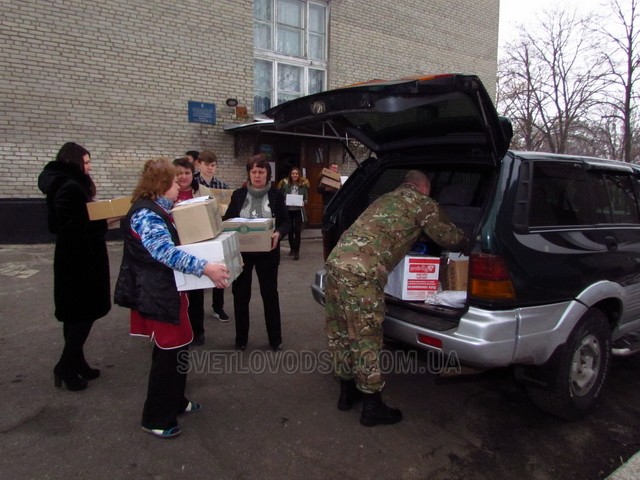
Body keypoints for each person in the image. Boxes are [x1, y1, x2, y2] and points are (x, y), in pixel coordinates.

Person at [324, 170, 467, 427]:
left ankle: (346, 394)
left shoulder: (384, 199)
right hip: (362, 272)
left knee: (341, 331)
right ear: (423, 187)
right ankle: (372, 406)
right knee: (365, 337)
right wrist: (471, 241)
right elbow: (449, 238)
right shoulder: (423, 203)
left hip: (335, 264)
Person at [114, 158, 230, 439]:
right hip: (157, 295)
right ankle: (155, 417)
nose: (180, 187)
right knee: (167, 356)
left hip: (167, 292)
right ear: (160, 186)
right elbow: (165, 253)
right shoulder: (147, 215)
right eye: (174, 183)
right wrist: (206, 268)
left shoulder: (158, 210)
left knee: (178, 350)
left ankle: (176, 401)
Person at [38, 142, 112, 392]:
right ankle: (65, 366)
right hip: (80, 260)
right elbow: (71, 227)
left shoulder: (64, 183)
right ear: (74, 162)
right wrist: (103, 220)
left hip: (76, 257)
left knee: (75, 314)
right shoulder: (69, 187)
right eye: (87, 162)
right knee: (82, 314)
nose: (89, 167)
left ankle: (78, 362)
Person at [223, 154, 290, 351]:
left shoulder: (277, 196)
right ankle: (241, 339)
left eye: (261, 172)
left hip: (268, 253)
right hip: (242, 254)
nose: (257, 175)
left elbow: (286, 222)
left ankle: (275, 339)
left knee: (270, 295)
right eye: (254, 172)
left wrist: (278, 233)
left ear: (268, 174)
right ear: (249, 174)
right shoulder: (238, 195)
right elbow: (228, 221)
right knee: (240, 296)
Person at [173, 156, 212, 346]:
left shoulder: (202, 191)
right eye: (179, 173)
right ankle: (177, 331)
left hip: (197, 247)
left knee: (196, 293)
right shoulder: (168, 192)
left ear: (192, 174)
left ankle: (198, 331)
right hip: (174, 248)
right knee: (176, 293)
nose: (183, 177)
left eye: (187, 173)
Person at [194, 149, 231, 322]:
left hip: (216, 229)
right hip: (197, 230)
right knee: (198, 269)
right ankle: (195, 310)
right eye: (207, 165)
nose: (210, 168)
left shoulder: (221, 186)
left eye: (213, 165)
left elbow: (226, 208)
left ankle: (218, 307)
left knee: (219, 267)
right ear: (198, 164)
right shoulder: (192, 183)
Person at [278, 167, 309, 260]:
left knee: (297, 231)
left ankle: (297, 252)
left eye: (296, 174)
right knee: (290, 231)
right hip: (288, 210)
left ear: (299, 175)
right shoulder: (285, 185)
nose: (294, 175)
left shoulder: (303, 185)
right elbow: (281, 195)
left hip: (298, 211)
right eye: (293, 174)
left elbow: (306, 198)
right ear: (290, 175)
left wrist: (304, 202)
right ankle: (292, 249)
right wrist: (283, 201)